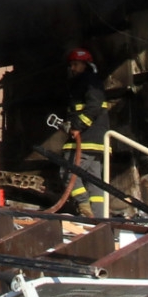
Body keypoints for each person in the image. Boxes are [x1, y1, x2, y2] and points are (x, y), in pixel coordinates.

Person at [62, 46, 110, 217]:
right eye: (71, 65)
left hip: (87, 138)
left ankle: (83, 206)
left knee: (67, 171)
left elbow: (93, 107)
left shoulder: (88, 81)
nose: (73, 69)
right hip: (97, 140)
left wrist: (77, 126)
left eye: (76, 65)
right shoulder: (89, 81)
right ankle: (98, 218)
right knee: (94, 181)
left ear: (85, 65)